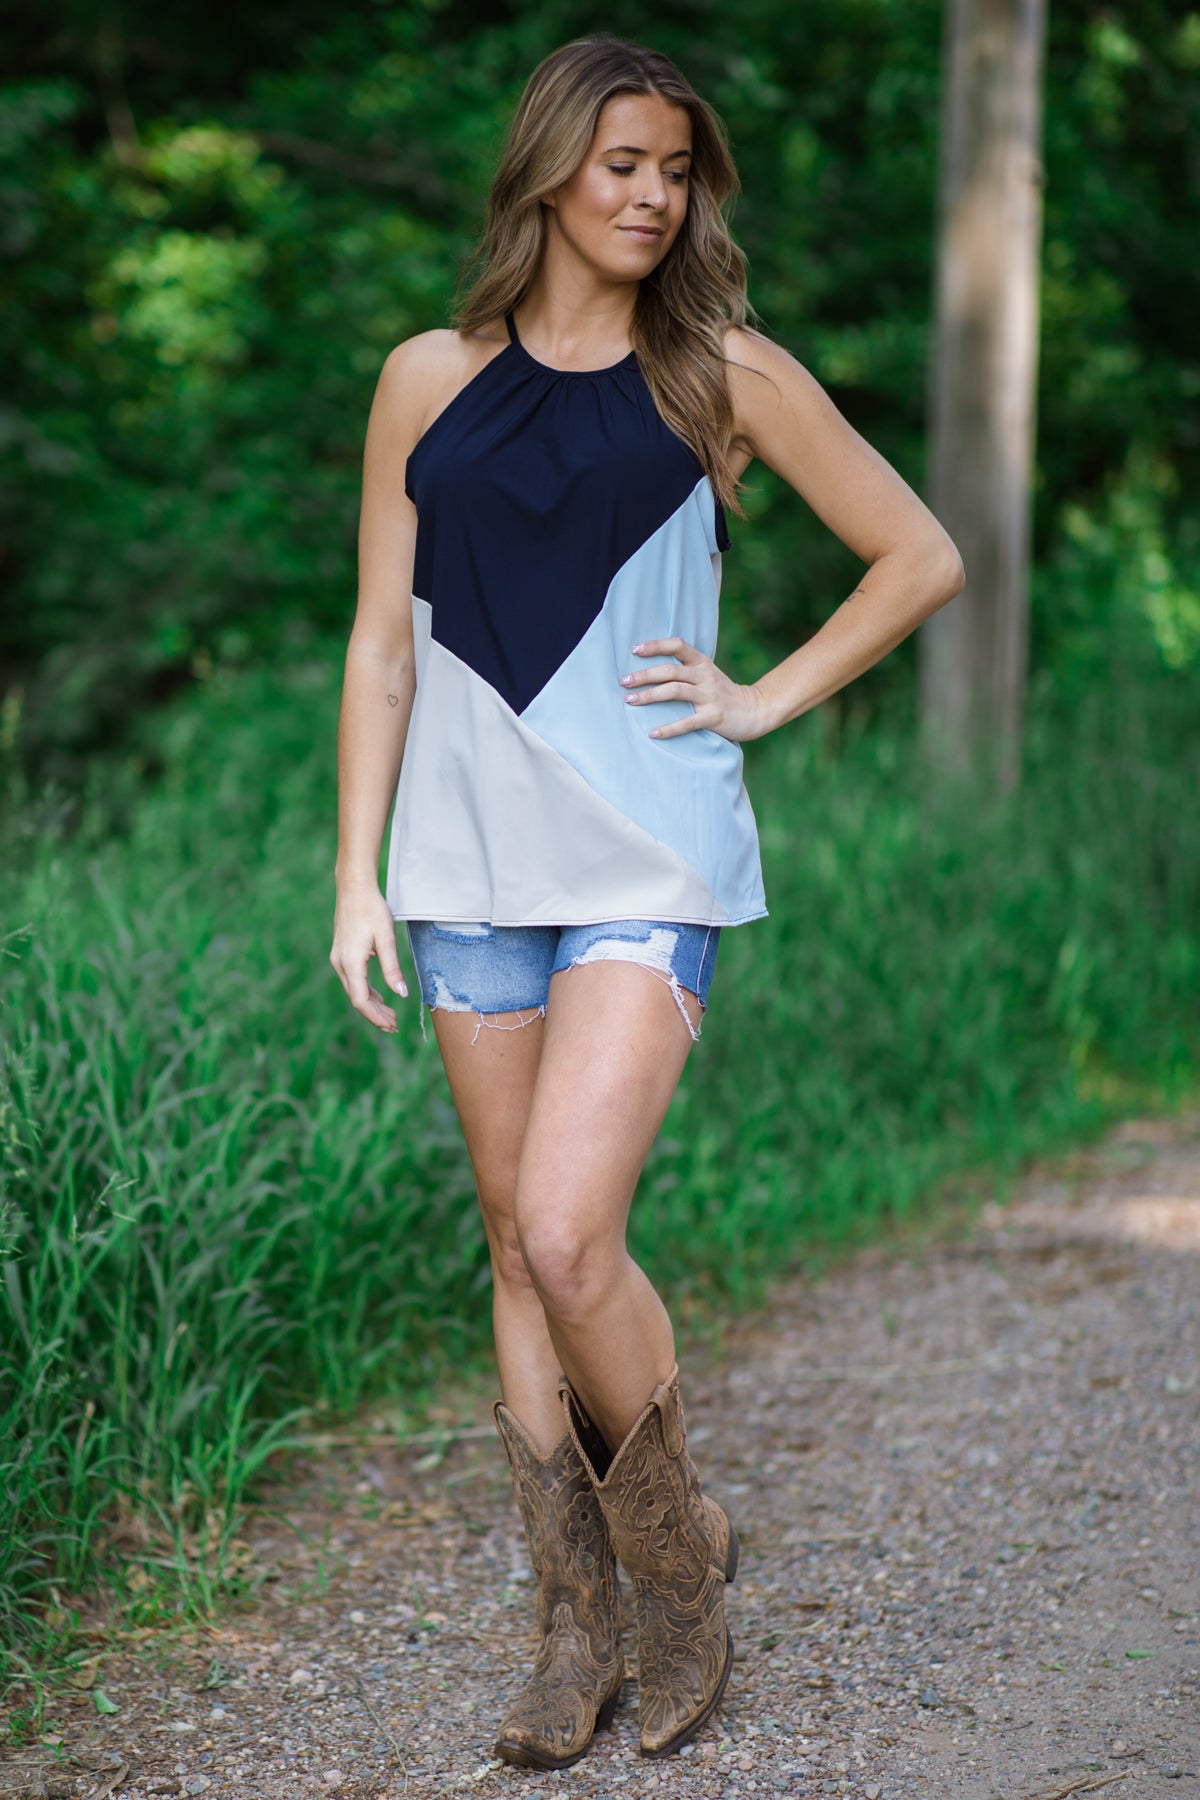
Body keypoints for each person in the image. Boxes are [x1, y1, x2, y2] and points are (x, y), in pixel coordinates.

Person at [329, 33, 964, 1770]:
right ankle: (572, 1625)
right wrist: (355, 873)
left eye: (676, 171)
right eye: (623, 164)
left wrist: (761, 696)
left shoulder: (719, 372)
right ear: (548, 170)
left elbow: (919, 554)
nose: (654, 196)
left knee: (565, 1230)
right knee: (508, 1245)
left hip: (646, 848)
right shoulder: (426, 379)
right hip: (466, 858)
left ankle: (679, 1584)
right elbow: (382, 644)